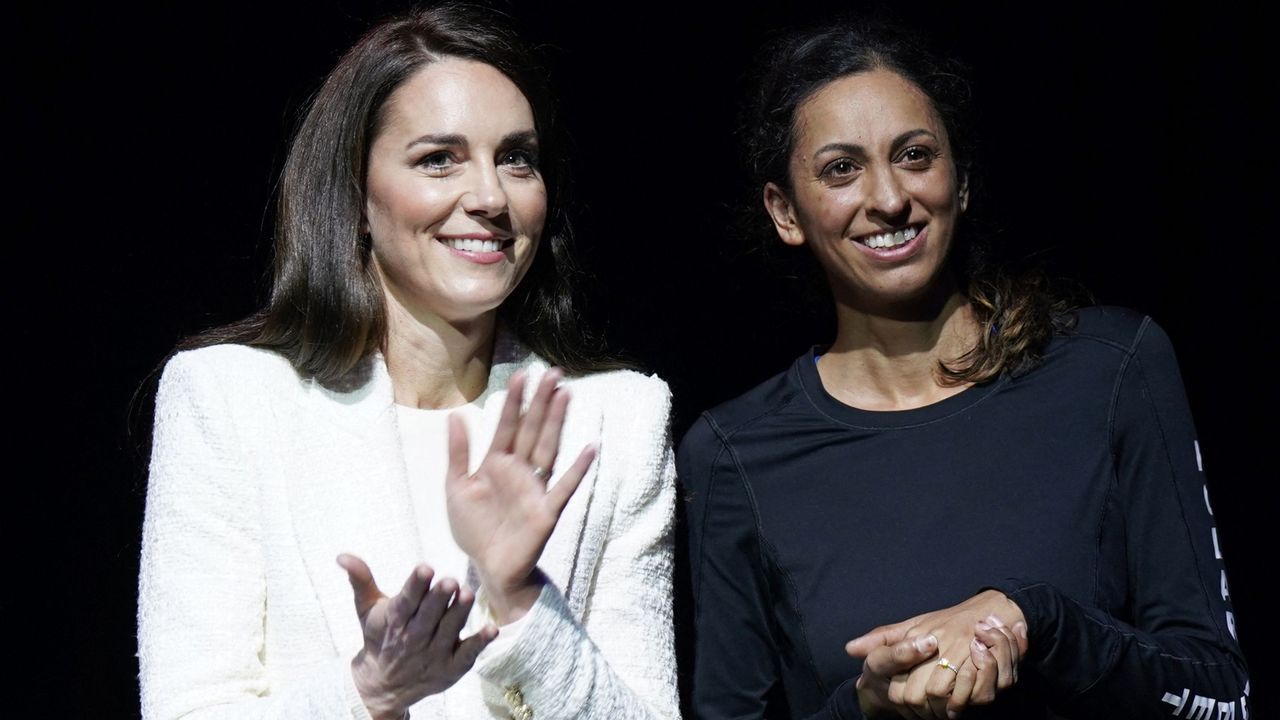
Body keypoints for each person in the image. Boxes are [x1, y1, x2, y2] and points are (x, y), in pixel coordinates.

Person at [679, 19, 1250, 720]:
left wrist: (1036, 620)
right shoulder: (734, 454)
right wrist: (868, 705)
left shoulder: (1112, 369)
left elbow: (1221, 697)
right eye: (841, 169)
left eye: (915, 155)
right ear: (785, 211)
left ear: (963, 179)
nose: (888, 197)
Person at [137, 6, 679, 719]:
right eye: (438, 159)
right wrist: (370, 690)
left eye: (516, 157)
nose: (490, 196)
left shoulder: (615, 417)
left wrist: (518, 601)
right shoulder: (230, 399)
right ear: (358, 196)